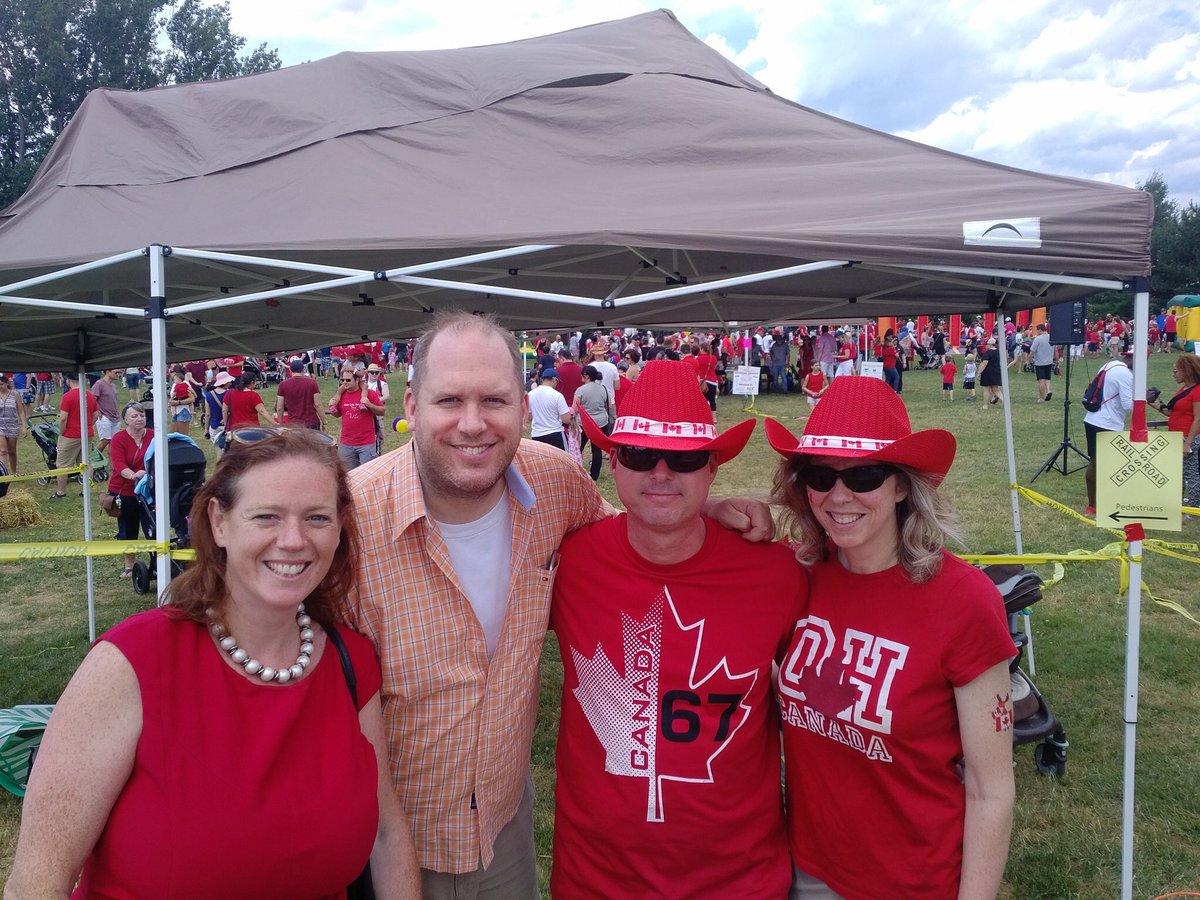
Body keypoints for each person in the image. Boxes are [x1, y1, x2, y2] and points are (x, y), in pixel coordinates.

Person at [344, 311, 771, 897]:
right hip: (382, 843)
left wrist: (703, 511)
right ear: (411, 408)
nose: (473, 424)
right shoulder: (343, 521)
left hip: (503, 832)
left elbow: (639, 530)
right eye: (449, 400)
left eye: (494, 400)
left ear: (524, 408)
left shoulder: (556, 484)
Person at [7, 428, 421, 898]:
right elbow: (37, 885)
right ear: (218, 522)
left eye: (317, 518)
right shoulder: (132, 664)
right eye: (266, 516)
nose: (293, 540)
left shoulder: (351, 661)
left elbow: (387, 834)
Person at [552, 361, 806, 897]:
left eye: (685, 459)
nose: (661, 473)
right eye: (640, 455)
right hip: (596, 881)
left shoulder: (779, 575)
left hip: (739, 882)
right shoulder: (567, 563)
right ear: (614, 463)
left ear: (712, 468)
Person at [765, 377, 1016, 900]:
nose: (839, 496)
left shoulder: (963, 600)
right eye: (819, 475)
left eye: (864, 474)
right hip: (807, 869)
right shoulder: (799, 575)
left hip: (914, 881)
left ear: (902, 485)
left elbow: (990, 790)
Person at [1082, 351, 1134, 516]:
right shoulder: (1126, 374)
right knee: (1110, 467)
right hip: (1109, 423)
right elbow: (1127, 405)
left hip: (1092, 418)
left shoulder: (1108, 365)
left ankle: (1092, 505)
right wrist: (1143, 397)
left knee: (1094, 462)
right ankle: (1108, 503)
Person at [105, 401, 153, 578]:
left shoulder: (153, 436)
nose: (139, 418)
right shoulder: (119, 439)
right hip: (124, 491)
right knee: (128, 529)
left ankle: (156, 563)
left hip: (149, 491)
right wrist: (134, 475)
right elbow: (118, 464)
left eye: (142, 415)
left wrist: (146, 474)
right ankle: (129, 565)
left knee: (153, 528)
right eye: (135, 415)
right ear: (125, 419)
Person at [1153, 353, 1200, 507]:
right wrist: (1150, 402)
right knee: (1176, 473)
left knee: (1191, 474)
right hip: (1176, 436)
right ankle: (1176, 505)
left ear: (1186, 371)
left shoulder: (1197, 391)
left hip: (1188, 437)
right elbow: (1171, 412)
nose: (1173, 375)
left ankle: (1193, 510)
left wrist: (1188, 443)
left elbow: (1198, 419)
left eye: (1176, 371)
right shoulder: (1184, 389)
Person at [51, 373, 100, 500]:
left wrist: (61, 432)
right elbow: (96, 414)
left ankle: (60, 492)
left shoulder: (67, 396)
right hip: (87, 433)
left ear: (68, 380)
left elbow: (63, 419)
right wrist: (88, 425)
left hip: (70, 435)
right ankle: (86, 491)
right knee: (86, 462)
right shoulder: (89, 394)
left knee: (62, 464)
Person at [327, 366, 385, 470]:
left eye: (348, 380)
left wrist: (369, 405)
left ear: (357, 380)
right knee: (348, 475)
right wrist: (333, 409)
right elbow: (338, 414)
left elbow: (382, 411)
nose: (344, 382)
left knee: (367, 474)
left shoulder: (369, 394)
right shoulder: (341, 395)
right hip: (346, 444)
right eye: (342, 380)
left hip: (366, 443)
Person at [571, 364, 612, 481]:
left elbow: (575, 408)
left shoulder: (580, 390)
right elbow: (607, 405)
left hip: (585, 423)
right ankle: (594, 475)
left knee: (578, 447)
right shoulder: (603, 388)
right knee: (596, 449)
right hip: (601, 421)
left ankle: (575, 468)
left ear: (586, 376)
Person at [275, 357, 326, 431]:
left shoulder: (283, 385)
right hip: (311, 422)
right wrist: (324, 422)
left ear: (290, 370)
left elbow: (279, 408)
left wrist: (281, 424)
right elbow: (317, 404)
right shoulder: (312, 383)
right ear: (303, 369)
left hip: (294, 424)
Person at [528, 367, 572, 450]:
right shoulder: (557, 395)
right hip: (555, 433)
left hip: (537, 435)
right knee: (561, 461)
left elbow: (529, 417)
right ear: (554, 379)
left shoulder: (531, 394)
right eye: (557, 381)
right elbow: (566, 419)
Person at [0, 374, 29, 476]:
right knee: (3, 451)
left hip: (12, 425)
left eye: (1, 384)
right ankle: (4, 474)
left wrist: (24, 426)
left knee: (12, 452)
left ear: (7, 383)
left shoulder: (15, 394)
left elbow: (21, 411)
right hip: (0, 426)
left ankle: (14, 471)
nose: (0, 386)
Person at [90, 368, 122, 458]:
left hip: (115, 417)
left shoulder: (113, 385)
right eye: (116, 372)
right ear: (107, 372)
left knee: (114, 441)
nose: (118, 374)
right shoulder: (99, 384)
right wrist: (98, 411)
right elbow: (92, 399)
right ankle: (94, 458)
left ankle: (113, 462)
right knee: (105, 440)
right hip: (104, 416)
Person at [975, 338, 1011, 408]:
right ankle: (1005, 402)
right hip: (997, 372)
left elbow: (984, 363)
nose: (985, 346)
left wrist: (979, 372)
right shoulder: (999, 352)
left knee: (986, 389)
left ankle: (985, 405)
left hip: (988, 373)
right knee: (996, 389)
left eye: (987, 344)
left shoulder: (988, 353)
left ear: (990, 345)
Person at [167, 365, 197, 435]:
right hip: (177, 411)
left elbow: (191, 398)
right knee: (175, 432)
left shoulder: (184, 384)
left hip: (182, 410)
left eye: (172, 372)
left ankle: (192, 412)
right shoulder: (175, 384)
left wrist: (177, 402)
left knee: (182, 434)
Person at [1030, 322, 1055, 402]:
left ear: (1040, 330)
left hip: (1039, 362)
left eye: (1037, 330)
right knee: (1047, 379)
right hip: (1049, 361)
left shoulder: (1038, 339)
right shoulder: (1051, 337)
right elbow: (1056, 349)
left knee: (1041, 380)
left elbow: (1032, 351)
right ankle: (1048, 391)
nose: (1037, 332)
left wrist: (1029, 360)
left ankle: (1041, 397)